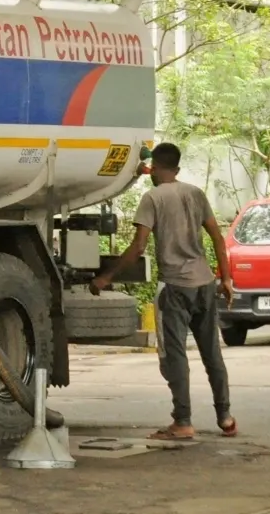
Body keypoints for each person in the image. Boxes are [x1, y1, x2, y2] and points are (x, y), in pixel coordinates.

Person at [92, 142, 235, 441]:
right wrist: (226, 279)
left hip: (175, 287)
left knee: (176, 356)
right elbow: (218, 238)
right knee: (212, 354)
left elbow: (139, 247)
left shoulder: (152, 197)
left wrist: (107, 277)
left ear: (154, 168)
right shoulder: (195, 194)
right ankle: (226, 417)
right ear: (178, 169)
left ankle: (182, 422)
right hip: (205, 283)